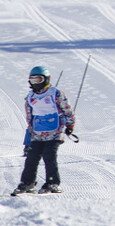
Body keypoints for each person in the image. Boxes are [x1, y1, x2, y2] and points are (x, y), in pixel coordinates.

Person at [16, 66, 75, 194]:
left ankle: (53, 183)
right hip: (37, 133)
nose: (35, 83)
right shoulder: (30, 97)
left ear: (46, 79)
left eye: (38, 80)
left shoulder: (55, 93)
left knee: (49, 156)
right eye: (32, 80)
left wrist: (70, 125)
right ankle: (28, 183)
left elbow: (67, 109)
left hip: (54, 132)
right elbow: (29, 116)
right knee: (31, 158)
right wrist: (30, 134)